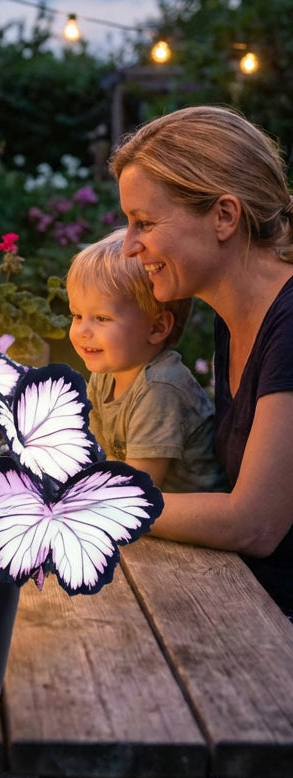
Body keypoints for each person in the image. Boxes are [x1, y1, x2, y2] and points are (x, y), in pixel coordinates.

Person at [110, 104, 293, 621]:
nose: (128, 247)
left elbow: (254, 522)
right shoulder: (231, 318)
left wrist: (104, 501)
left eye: (144, 221)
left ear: (224, 216)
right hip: (246, 600)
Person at [67, 227, 226, 494]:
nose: (83, 331)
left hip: (189, 526)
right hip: (144, 510)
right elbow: (92, 454)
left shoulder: (160, 387)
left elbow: (137, 489)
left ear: (157, 328)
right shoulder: (106, 374)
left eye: (102, 318)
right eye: (77, 315)